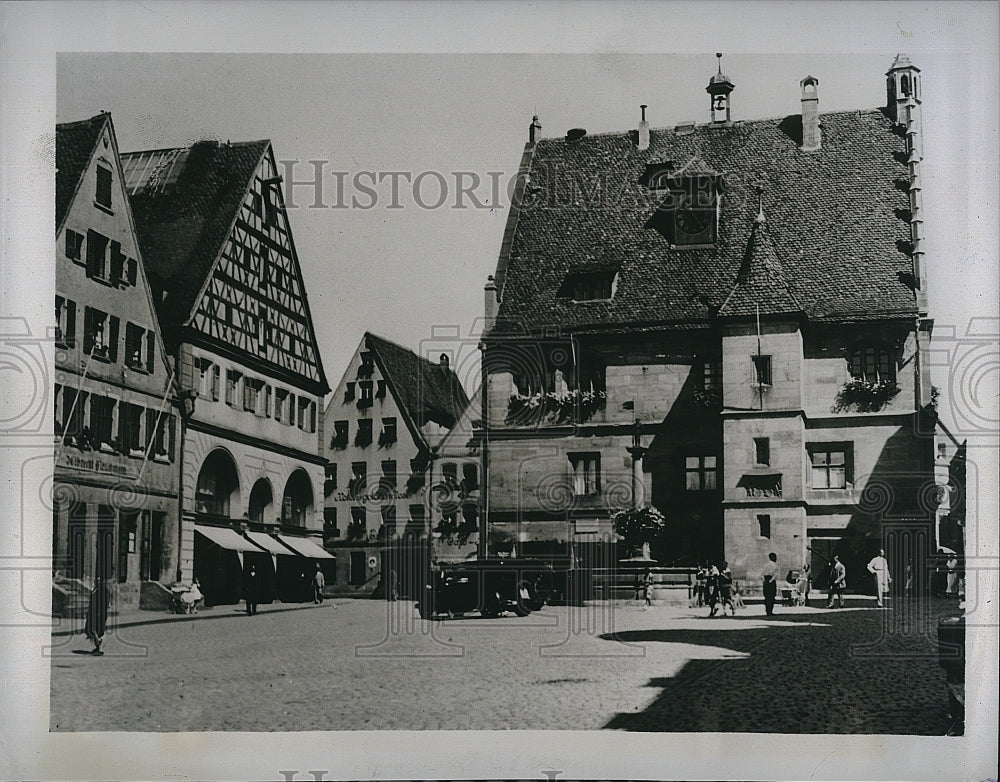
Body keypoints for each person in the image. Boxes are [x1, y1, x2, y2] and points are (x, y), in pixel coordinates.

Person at [84, 575, 111, 655]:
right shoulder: (96, 590)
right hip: (95, 612)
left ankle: (99, 645)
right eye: (95, 581)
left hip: (98, 613)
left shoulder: (102, 591)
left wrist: (99, 612)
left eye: (97, 581)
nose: (95, 582)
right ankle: (98, 647)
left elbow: (103, 603)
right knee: (95, 630)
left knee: (94, 630)